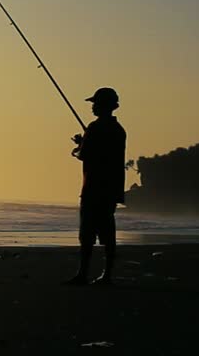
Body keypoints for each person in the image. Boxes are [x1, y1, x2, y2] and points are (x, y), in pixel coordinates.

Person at [64, 86, 126, 286]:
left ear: (103, 105)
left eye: (95, 103)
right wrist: (85, 142)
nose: (92, 107)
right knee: (108, 230)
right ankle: (107, 275)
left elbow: (85, 155)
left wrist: (79, 146)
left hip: (93, 187)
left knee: (87, 233)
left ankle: (83, 274)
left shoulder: (95, 127)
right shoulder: (119, 130)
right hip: (111, 188)